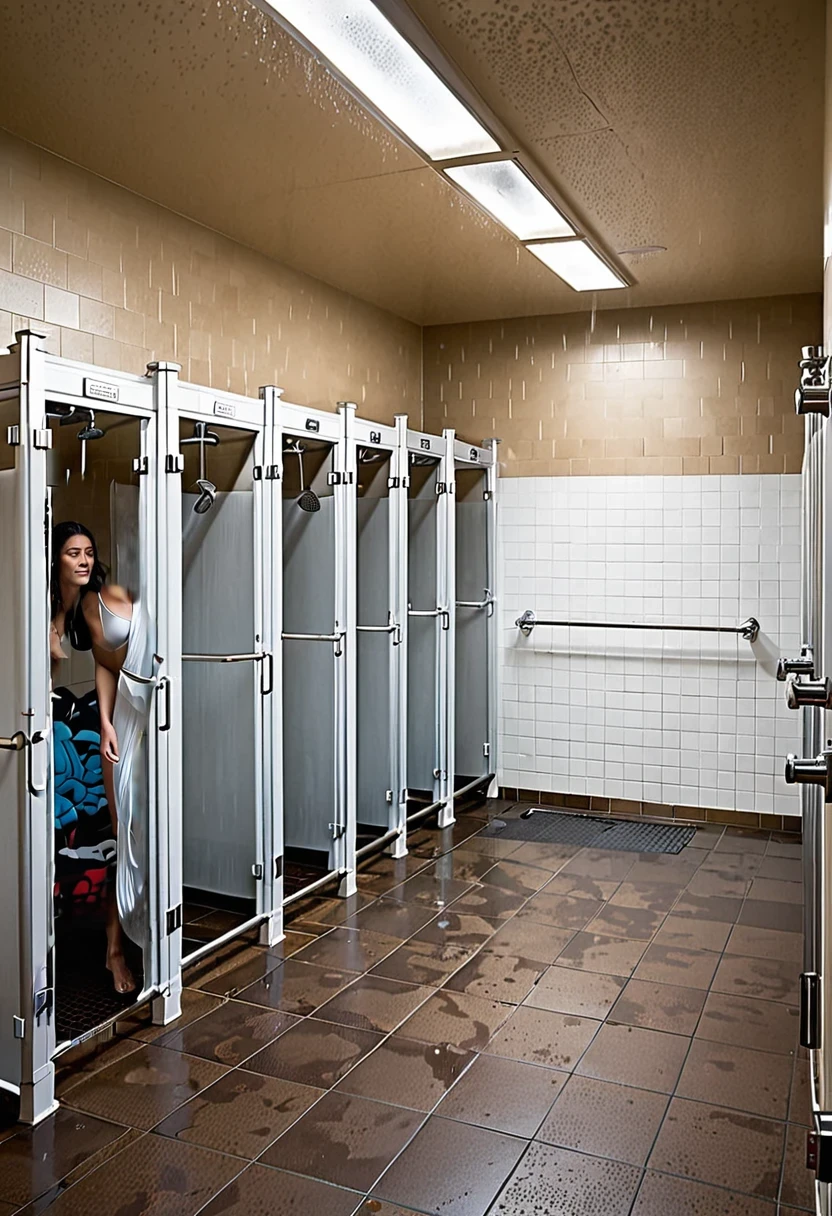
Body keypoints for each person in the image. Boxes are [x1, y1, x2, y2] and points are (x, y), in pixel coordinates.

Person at [50, 521, 136, 995]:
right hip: (36, 732)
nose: (83, 561)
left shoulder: (93, 605)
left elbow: (110, 665)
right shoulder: (34, 605)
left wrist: (105, 723)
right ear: (54, 560)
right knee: (44, 840)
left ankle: (114, 950)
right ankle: (35, 956)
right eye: (72, 554)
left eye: (88, 552)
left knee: (114, 828)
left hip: (79, 722)